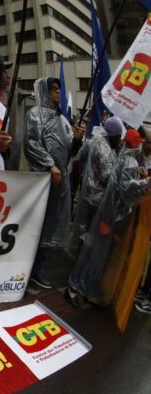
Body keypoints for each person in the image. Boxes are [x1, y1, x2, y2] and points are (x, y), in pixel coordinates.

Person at [68, 128, 150, 308]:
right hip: (111, 216)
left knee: (96, 253)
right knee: (96, 255)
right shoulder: (130, 162)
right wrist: (146, 183)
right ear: (135, 145)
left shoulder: (122, 156)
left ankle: (85, 288)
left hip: (108, 214)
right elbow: (127, 190)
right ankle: (77, 288)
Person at [24, 77, 85, 289]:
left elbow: (69, 152)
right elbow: (31, 143)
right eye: (54, 90)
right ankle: (26, 271)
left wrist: (76, 140)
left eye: (59, 89)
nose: (58, 93)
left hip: (60, 183)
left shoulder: (63, 121)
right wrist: (50, 165)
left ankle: (38, 270)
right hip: (43, 180)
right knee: (36, 226)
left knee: (50, 227)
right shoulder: (34, 115)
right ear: (45, 92)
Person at [69, 116, 124, 260]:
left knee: (83, 228)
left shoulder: (94, 141)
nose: (119, 140)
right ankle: (83, 259)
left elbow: (79, 158)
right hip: (97, 199)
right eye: (119, 137)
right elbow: (107, 177)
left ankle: (78, 255)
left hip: (87, 192)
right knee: (91, 231)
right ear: (113, 136)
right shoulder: (105, 150)